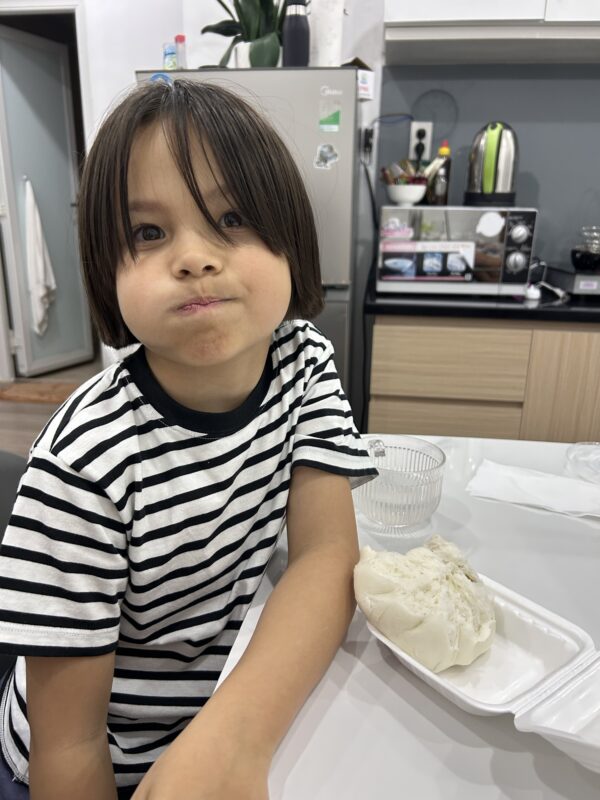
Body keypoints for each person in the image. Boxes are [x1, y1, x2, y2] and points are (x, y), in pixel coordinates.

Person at [0, 79, 376, 799]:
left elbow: (327, 554)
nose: (196, 258)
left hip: (220, 720)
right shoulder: (85, 464)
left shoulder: (302, 364)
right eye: (149, 233)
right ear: (106, 272)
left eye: (231, 217)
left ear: (292, 239)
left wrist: (233, 737)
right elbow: (68, 745)